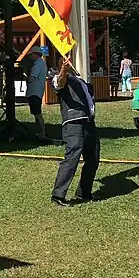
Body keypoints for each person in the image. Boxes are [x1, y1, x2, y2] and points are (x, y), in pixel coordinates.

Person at [50, 59, 99, 207]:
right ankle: (58, 194)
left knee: (93, 158)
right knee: (72, 157)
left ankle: (84, 192)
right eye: (68, 62)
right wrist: (63, 70)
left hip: (89, 122)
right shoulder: (60, 77)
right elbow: (59, 84)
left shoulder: (82, 82)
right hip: (74, 123)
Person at [25, 47, 48, 140]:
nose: (30, 57)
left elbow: (32, 78)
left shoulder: (38, 64)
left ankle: (42, 134)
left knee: (37, 114)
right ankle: (40, 133)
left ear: (35, 54)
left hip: (35, 91)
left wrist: (25, 76)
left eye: (31, 55)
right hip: (37, 91)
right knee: (36, 113)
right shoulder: (41, 63)